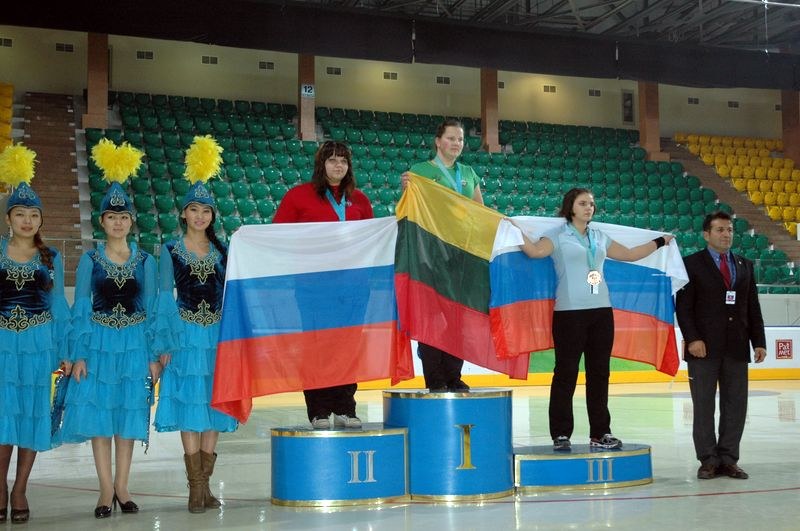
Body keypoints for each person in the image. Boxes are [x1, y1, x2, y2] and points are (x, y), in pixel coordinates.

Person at [509, 187, 673, 451]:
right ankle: (560, 434)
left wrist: (661, 241)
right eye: (583, 203)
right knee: (566, 373)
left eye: (592, 204)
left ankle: (600, 432)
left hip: (601, 312)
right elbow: (535, 252)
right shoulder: (557, 236)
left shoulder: (599, 236)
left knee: (600, 373)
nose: (589, 208)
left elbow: (630, 254)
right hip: (569, 314)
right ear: (570, 207)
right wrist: (512, 230)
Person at [59, 140, 160, 518]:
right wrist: (79, 354)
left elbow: (151, 310)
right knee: (101, 418)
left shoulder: (146, 261)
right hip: (98, 345)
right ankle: (104, 490)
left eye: (124, 217)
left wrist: (153, 356)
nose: (118, 222)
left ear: (132, 222)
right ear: (101, 222)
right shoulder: (89, 260)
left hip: (134, 345)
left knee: (127, 415)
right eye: (111, 217)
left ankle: (123, 486)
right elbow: (81, 307)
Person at [153, 136, 237, 513]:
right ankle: (195, 488)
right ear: (183, 214)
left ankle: (204, 487)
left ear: (212, 215)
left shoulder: (223, 251)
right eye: (194, 209)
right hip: (184, 335)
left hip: (216, 336)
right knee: (189, 404)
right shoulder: (169, 250)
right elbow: (161, 299)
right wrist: (164, 344)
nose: (200, 216)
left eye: (206, 210)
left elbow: (233, 298)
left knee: (213, 403)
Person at [273, 140, 373, 429]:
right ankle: (318, 410)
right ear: (321, 164)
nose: (338, 165)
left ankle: (345, 408)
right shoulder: (298, 196)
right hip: (312, 288)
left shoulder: (360, 200)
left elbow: (371, 240)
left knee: (347, 346)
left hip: (352, 288)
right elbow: (277, 234)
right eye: (332, 160)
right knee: (316, 346)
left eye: (343, 160)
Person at [0, 145, 71, 524]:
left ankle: (20, 489)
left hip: (38, 345)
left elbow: (59, 306)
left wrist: (64, 349)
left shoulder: (51, 257)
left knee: (31, 414)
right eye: (20, 214)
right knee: (2, 415)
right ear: (8, 218)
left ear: (41, 220)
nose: (27, 221)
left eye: (33, 215)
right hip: (2, 346)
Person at [675, 211, 766, 480]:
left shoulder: (744, 264)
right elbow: (684, 308)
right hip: (703, 348)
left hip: (737, 346)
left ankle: (728, 459)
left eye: (730, 230)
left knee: (736, 406)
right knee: (703, 406)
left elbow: (752, 306)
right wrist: (693, 339)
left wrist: (758, 342)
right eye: (720, 230)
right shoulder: (691, 264)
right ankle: (708, 460)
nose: (726, 234)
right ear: (707, 234)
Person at [401, 118, 483, 392]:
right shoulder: (420, 171)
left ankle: (453, 376)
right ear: (438, 141)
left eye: (460, 139)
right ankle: (435, 379)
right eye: (451, 138)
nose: (456, 143)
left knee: (458, 318)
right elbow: (409, 210)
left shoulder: (469, 173)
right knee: (432, 317)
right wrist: (406, 189)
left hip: (461, 255)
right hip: (431, 254)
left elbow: (480, 212)